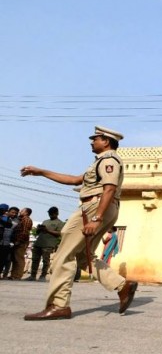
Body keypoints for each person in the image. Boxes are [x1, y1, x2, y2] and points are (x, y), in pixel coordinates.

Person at [20, 126, 138, 321]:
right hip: (100, 207)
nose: (92, 142)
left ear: (106, 141)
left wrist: (96, 218)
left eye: (95, 138)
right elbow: (74, 180)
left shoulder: (109, 160)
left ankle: (58, 305)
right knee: (84, 256)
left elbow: (109, 189)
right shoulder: (100, 162)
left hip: (94, 207)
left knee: (63, 255)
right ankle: (122, 285)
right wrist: (41, 172)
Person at [28, 207, 65, 281]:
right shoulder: (45, 221)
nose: (50, 215)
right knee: (35, 260)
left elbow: (59, 233)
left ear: (57, 213)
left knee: (45, 261)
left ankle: (43, 276)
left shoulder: (60, 223)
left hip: (48, 244)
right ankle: (32, 276)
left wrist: (47, 230)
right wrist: (39, 229)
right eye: (49, 213)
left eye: (52, 213)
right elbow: (38, 232)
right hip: (38, 243)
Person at [11, 207, 33, 279]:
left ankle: (18, 276)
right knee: (15, 259)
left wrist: (19, 241)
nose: (20, 211)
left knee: (19, 259)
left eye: (22, 210)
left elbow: (24, 232)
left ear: (26, 212)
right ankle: (13, 275)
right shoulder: (21, 219)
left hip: (21, 242)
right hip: (18, 241)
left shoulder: (26, 219)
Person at [0, 205, 18, 278]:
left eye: (4, 210)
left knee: (3, 259)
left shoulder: (8, 219)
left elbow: (8, 225)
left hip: (6, 243)